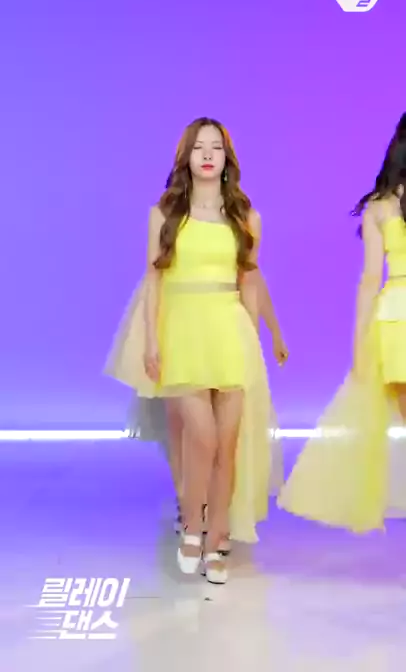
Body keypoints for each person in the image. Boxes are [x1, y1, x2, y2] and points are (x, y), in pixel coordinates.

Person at [105, 117, 277, 583]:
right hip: (182, 331)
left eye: (215, 147)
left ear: (226, 158)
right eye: (199, 147)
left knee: (227, 444)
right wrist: (152, 340)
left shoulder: (245, 217)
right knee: (200, 436)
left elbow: (249, 283)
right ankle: (193, 526)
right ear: (186, 156)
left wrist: (256, 343)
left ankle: (218, 536)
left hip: (230, 331)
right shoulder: (164, 214)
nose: (207, 155)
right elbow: (154, 280)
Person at [277, 113, 406, 531]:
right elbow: (369, 280)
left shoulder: (381, 207)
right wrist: (358, 346)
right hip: (397, 322)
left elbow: (369, 281)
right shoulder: (381, 207)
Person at [126, 270, 288, 552]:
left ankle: (212, 515)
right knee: (179, 417)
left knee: (215, 429)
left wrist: (265, 332)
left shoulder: (239, 239)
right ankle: (189, 505)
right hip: (173, 307)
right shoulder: (168, 238)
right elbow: (156, 272)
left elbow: (249, 274)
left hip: (220, 314)